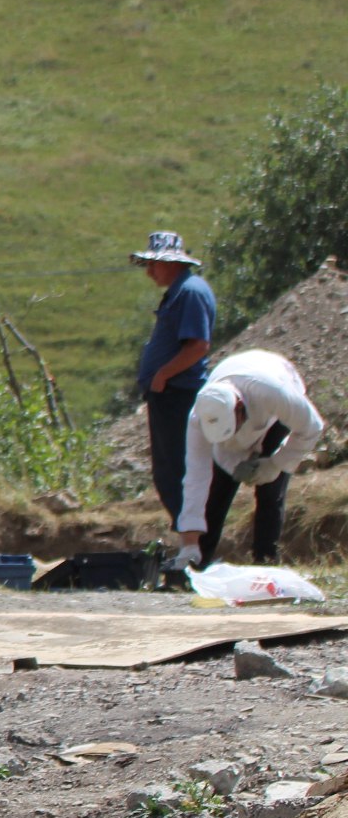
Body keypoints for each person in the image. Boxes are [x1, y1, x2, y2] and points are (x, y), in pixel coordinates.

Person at [176, 349, 324, 570]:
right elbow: (196, 478)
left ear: (239, 409)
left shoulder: (274, 393)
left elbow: (312, 427)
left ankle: (265, 564)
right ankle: (197, 561)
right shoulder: (199, 418)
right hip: (228, 437)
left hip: (275, 404)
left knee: (270, 490)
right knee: (217, 491)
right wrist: (188, 542)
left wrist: (276, 463)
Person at [131, 231, 217, 528]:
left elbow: (197, 345)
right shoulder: (181, 291)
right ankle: (188, 533)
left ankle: (193, 537)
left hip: (177, 394)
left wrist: (163, 375)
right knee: (167, 469)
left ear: (171, 263)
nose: (149, 272)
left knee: (175, 469)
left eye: (153, 264)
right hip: (169, 393)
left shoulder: (190, 292)